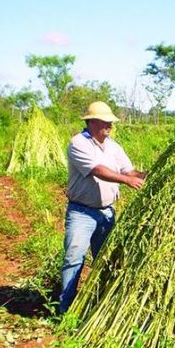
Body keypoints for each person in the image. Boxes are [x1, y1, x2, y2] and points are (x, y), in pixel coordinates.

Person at [59, 101, 146, 313]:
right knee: (74, 258)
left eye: (111, 122)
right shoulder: (78, 143)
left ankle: (98, 304)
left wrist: (149, 174)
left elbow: (129, 171)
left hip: (106, 213)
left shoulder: (114, 147)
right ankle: (66, 309)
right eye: (106, 121)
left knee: (105, 259)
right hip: (82, 212)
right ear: (93, 121)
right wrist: (126, 181)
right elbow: (97, 170)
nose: (110, 125)